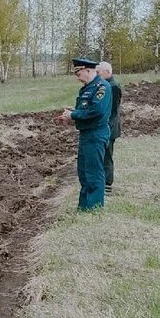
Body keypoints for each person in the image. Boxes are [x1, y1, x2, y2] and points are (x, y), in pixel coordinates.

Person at [58, 58, 112, 212]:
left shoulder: (102, 87)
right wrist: (71, 115)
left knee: (93, 171)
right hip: (86, 134)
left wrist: (74, 115)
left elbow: (97, 111)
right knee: (83, 171)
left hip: (96, 134)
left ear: (89, 70)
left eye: (79, 73)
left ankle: (94, 207)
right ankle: (83, 207)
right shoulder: (87, 88)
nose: (78, 77)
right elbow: (84, 109)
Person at [97, 61, 122, 194]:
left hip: (110, 127)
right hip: (107, 126)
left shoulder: (113, 86)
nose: (97, 75)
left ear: (107, 72)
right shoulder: (107, 85)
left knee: (107, 156)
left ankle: (107, 184)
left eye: (99, 72)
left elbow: (112, 109)